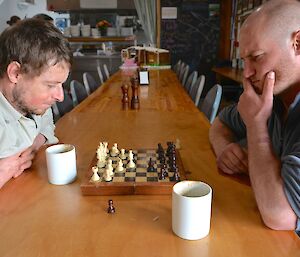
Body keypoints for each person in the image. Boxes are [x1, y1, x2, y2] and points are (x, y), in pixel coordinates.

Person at [209, 0, 300, 232]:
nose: (247, 73)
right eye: (244, 60)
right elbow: (219, 124)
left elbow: (279, 215)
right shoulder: (273, 95)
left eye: (257, 57)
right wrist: (224, 149)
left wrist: (257, 125)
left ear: (297, 43)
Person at [0, 18, 72, 188]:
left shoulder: (33, 102)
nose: (60, 96)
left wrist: (33, 145)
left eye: (61, 84)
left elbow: (46, 124)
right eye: (50, 85)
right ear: (16, 73)